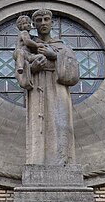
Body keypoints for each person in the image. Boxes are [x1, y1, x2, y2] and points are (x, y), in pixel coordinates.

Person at [14, 9, 80, 166]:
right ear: (34, 24)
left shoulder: (63, 47)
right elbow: (20, 72)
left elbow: (74, 73)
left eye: (46, 19)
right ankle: (38, 162)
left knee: (62, 125)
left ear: (52, 22)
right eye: (39, 20)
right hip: (37, 91)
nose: (43, 23)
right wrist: (33, 68)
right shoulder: (29, 45)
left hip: (59, 91)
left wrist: (55, 55)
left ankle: (63, 162)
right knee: (38, 127)